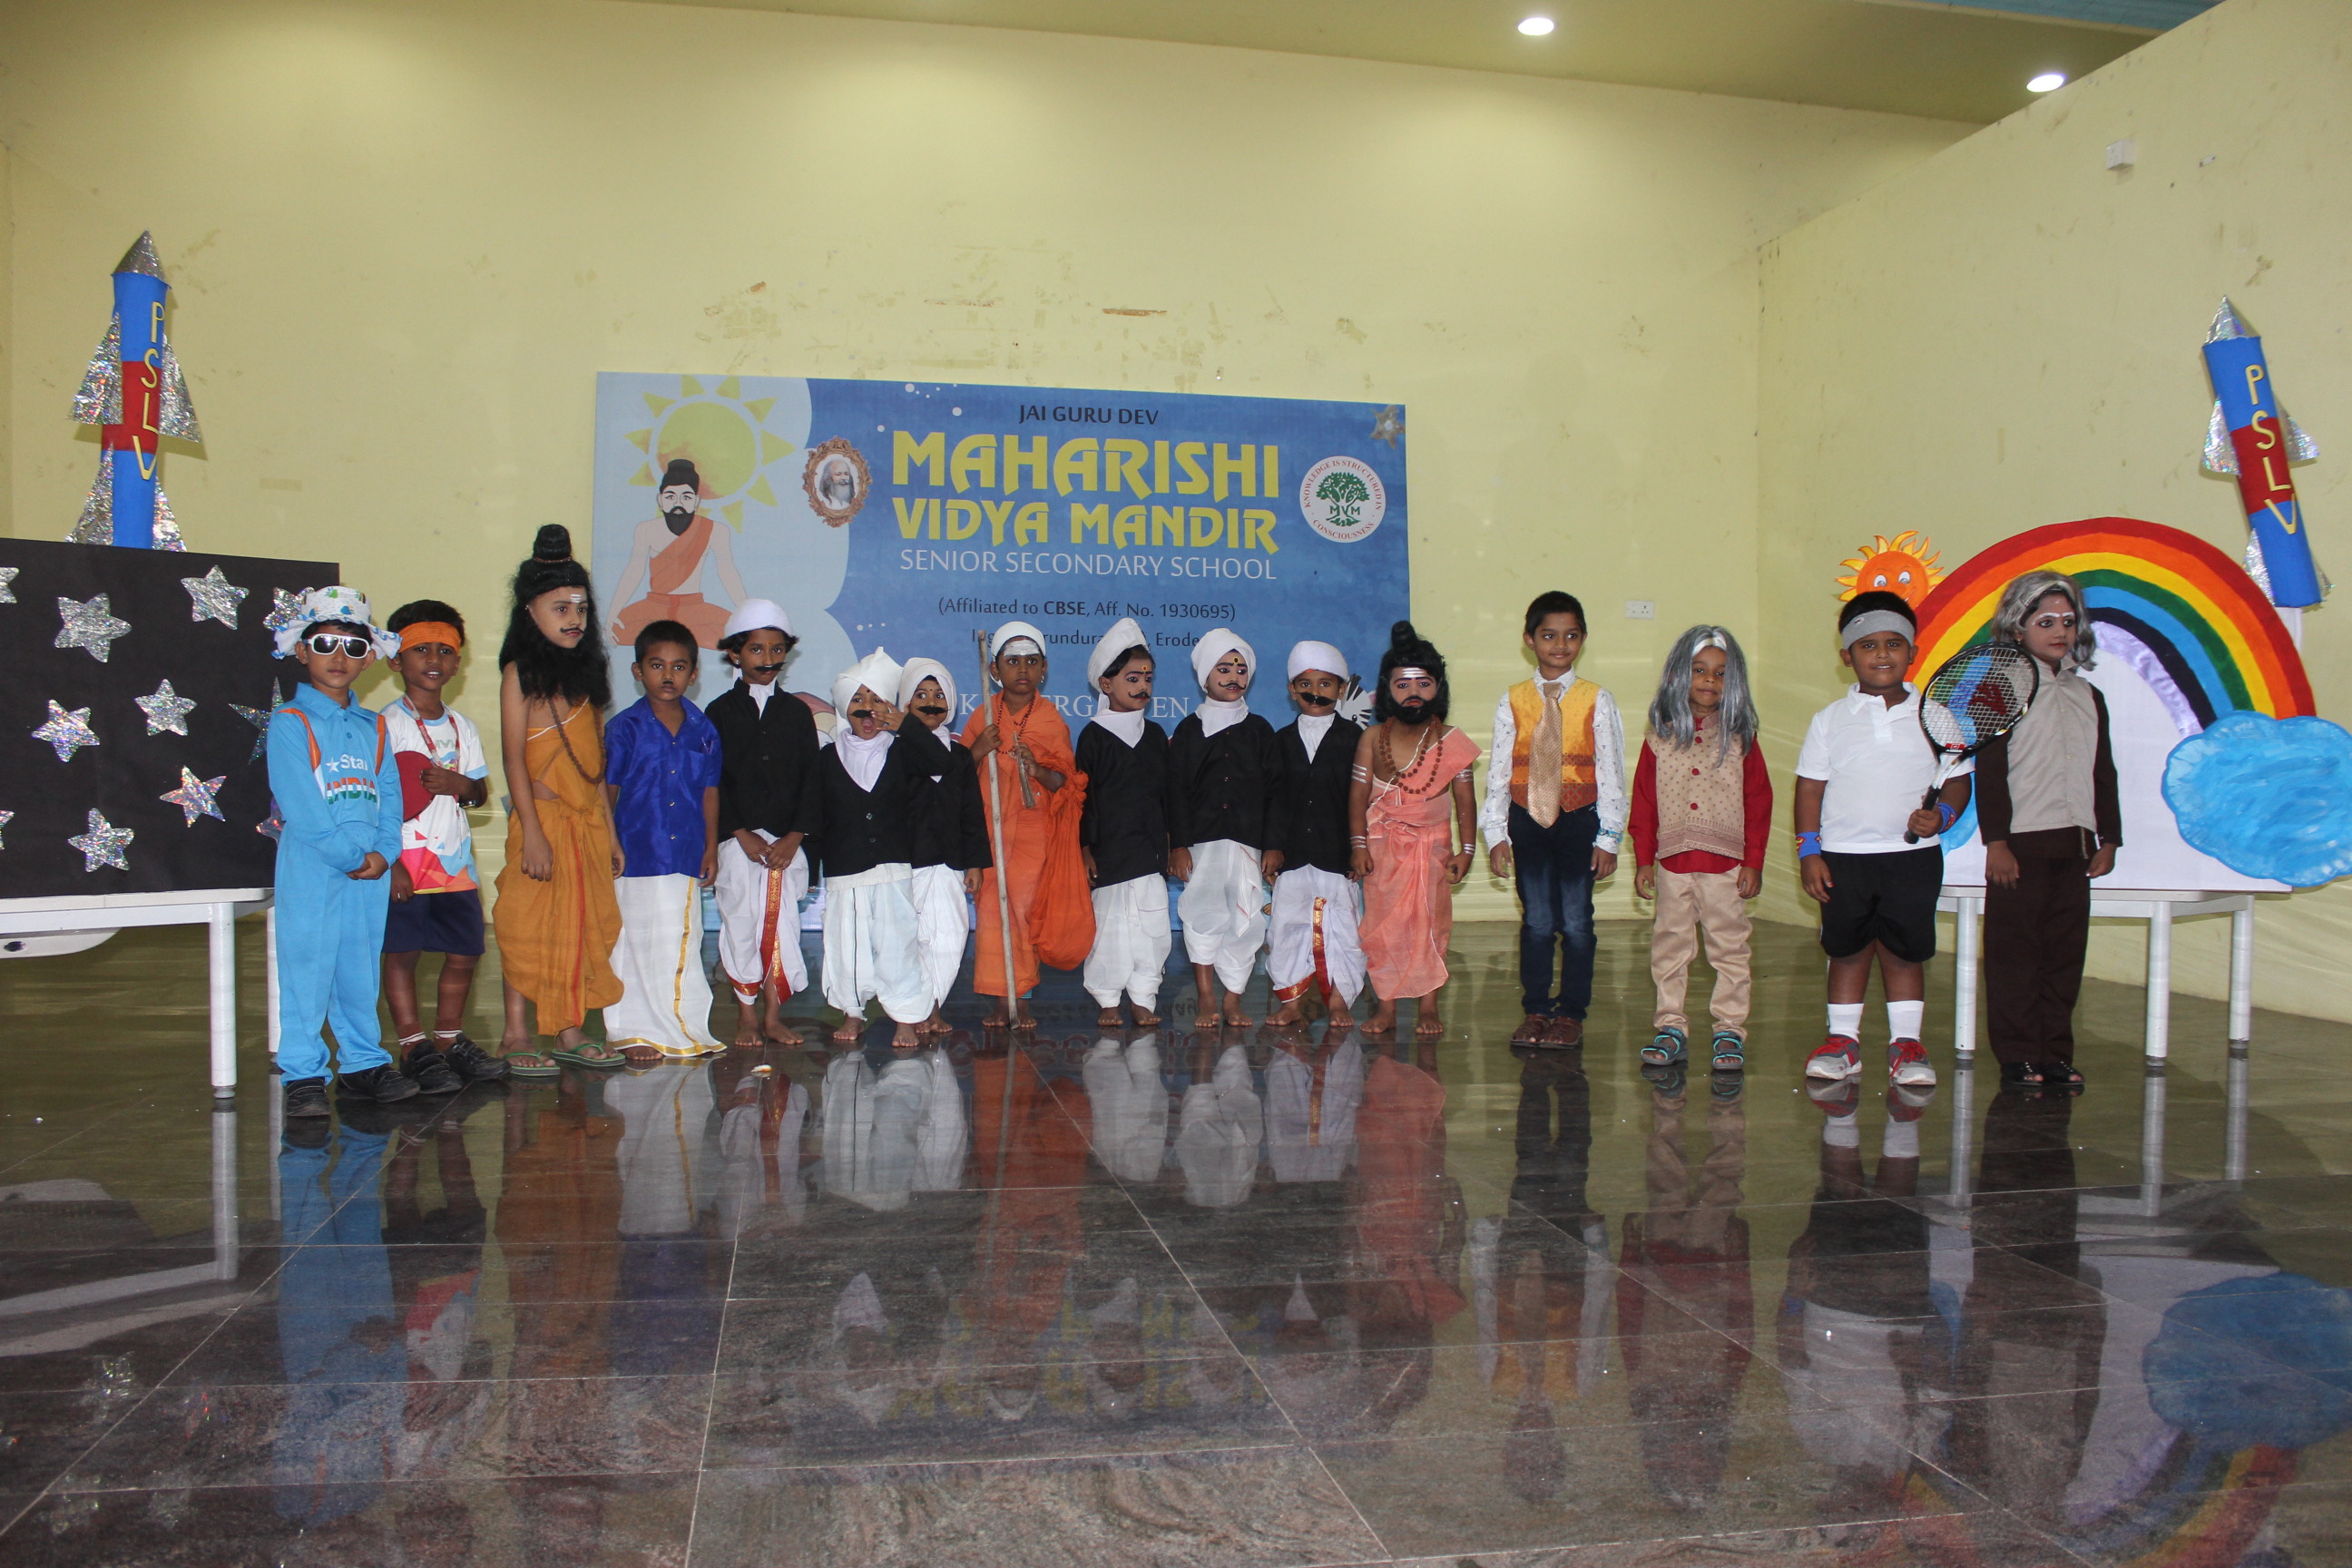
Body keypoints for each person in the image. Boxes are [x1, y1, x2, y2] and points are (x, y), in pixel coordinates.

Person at [1794, 590, 1971, 1088]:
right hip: (1843, 858)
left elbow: (1958, 781)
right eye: (1868, 645)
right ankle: (1843, 1043)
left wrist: (1943, 816)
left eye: (1894, 643)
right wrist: (1810, 851)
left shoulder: (1936, 716)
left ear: (1913, 651)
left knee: (1904, 952)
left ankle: (1906, 1045)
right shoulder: (1829, 720)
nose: (1882, 654)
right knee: (1847, 951)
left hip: (1912, 860)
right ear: (1846, 656)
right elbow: (1810, 788)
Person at [268, 586, 419, 1117]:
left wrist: (384, 852)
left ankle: (362, 1063)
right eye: (325, 644)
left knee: (358, 967)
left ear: (369, 658)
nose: (339, 657)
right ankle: (303, 1073)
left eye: (353, 647)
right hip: (314, 865)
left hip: (370, 868)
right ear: (302, 651)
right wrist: (349, 857)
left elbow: (390, 795)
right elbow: (302, 805)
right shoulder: (290, 722)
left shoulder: (374, 725)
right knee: (307, 967)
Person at [1975, 570, 2120, 1089]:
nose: (2060, 631)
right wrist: (1997, 842)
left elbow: (2103, 771)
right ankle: (2017, 1055)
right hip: (2021, 844)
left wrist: (2109, 838)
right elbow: (1990, 770)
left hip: (2075, 844)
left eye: (2068, 620)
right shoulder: (2003, 688)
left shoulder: (2088, 695)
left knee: (2063, 955)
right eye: (2045, 622)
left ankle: (2055, 1054)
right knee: (2015, 956)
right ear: (2018, 627)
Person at [493, 525, 626, 1069]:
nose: (574, 619)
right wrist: (532, 833)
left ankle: (570, 1031)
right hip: (540, 819)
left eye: (581, 608)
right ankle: (515, 1033)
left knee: (577, 928)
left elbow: (594, 767)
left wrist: (611, 834)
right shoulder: (518, 675)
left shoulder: (588, 674)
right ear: (530, 612)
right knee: (527, 925)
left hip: (587, 822)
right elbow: (513, 759)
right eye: (560, 608)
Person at [1480, 591, 1626, 1049]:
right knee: (1538, 922)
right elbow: (1499, 771)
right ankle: (1537, 1010)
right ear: (1529, 640)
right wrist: (1496, 833)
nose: (1560, 645)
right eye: (1548, 636)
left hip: (1580, 821)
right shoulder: (1512, 700)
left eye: (1571, 636)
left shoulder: (1597, 699)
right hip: (1528, 822)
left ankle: (1571, 1013)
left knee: (1577, 923)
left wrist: (1609, 837)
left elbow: (1612, 770)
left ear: (1583, 639)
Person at [378, 600, 514, 1084]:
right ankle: (413, 1046)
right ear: (395, 660)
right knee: (402, 953)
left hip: (454, 864)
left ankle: (448, 1039)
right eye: (420, 649)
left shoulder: (463, 728)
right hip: (405, 862)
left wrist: (461, 786)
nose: (433, 659)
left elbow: (478, 794)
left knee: (465, 951)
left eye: (445, 650)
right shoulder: (384, 725)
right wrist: (391, 863)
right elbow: (376, 802)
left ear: (458, 663)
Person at [1630, 627, 1772, 1072]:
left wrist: (1753, 862)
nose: (1710, 680)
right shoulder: (1659, 738)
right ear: (1678, 675)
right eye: (1699, 670)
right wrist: (1644, 860)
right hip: (1673, 865)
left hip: (1726, 868)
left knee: (1729, 947)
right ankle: (1671, 1025)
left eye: (1721, 673)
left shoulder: (1741, 740)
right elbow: (1644, 802)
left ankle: (1729, 1028)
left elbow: (1759, 801)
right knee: (1670, 946)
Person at [807, 647, 954, 1047]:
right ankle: (853, 1013)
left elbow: (942, 763)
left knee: (897, 944)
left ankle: (906, 1016)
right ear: (844, 707)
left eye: (876, 699)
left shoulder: (902, 749)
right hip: (845, 868)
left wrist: (906, 726)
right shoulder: (827, 757)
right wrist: (812, 868)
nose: (867, 708)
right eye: (858, 699)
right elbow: (814, 816)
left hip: (893, 866)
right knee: (847, 945)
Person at [601, 619, 725, 1065]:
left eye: (679, 666)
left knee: (680, 940)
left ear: (694, 674)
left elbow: (709, 791)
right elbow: (607, 791)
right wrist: (609, 843)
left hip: (685, 852)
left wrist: (711, 846)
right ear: (638, 671)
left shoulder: (704, 730)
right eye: (657, 665)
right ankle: (630, 1030)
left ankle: (683, 1026)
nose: (668, 675)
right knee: (632, 941)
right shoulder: (624, 728)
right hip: (634, 852)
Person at [1351, 622, 1481, 1038]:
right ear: (1387, 689)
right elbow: (1357, 797)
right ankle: (1386, 1007)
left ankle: (1428, 1005)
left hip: (1433, 847)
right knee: (1382, 928)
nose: (1413, 693)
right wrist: (1358, 845)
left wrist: (1467, 852)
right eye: (1402, 684)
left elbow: (1465, 802)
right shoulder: (1373, 738)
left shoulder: (1451, 740)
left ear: (1438, 688)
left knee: (1431, 926)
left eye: (1423, 684)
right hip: (1382, 847)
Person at [961, 621, 1093, 1028]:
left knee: (1020, 912)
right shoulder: (983, 715)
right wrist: (978, 750)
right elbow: (956, 775)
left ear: (1044, 669)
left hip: (1034, 835)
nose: (1022, 669)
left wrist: (1036, 769)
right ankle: (1002, 999)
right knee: (991, 913)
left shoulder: (1051, 721)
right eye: (1012, 662)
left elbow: (1064, 783)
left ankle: (1021, 997)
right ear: (994, 670)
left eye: (1032, 662)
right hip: (989, 832)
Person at [707, 598, 824, 1047]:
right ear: (734, 654)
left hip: (786, 845)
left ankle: (774, 1017)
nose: (768, 659)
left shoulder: (796, 713)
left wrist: (794, 837)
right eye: (756, 650)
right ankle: (746, 1018)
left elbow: (812, 780)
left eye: (777, 650)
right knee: (741, 922)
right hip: (738, 842)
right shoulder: (718, 713)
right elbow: (713, 781)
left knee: (781, 928)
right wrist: (741, 833)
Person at [1167, 630, 1283, 1028]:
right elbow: (1176, 792)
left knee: (1247, 920)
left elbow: (1275, 792)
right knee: (1202, 914)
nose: (1234, 677)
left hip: (1248, 843)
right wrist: (1178, 845)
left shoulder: (1261, 731)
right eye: (1223, 669)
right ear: (1205, 677)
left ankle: (1233, 998)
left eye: (1241, 669)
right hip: (1202, 844)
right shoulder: (1188, 731)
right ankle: (1205, 996)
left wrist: (1273, 845)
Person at [1076, 619, 1171, 1029]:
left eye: (1148, 678)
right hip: (1109, 853)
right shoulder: (1094, 736)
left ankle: (1143, 998)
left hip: (1148, 853)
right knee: (1110, 929)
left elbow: (1167, 796)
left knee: (1152, 929)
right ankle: (1107, 999)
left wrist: (1172, 845)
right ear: (1106, 683)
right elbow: (1083, 799)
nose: (1142, 686)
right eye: (1132, 678)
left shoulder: (1156, 735)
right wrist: (1084, 849)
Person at [1268, 641, 1367, 1029]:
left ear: (1341, 689)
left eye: (1325, 684)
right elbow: (1273, 798)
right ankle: (1291, 1003)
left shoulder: (1357, 739)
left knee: (1343, 928)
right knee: (1287, 926)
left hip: (1337, 852)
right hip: (1293, 853)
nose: (1315, 692)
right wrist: (1272, 847)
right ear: (1291, 690)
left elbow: (1364, 801)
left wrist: (1358, 848)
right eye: (1305, 684)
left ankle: (1340, 1001)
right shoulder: (1280, 740)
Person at [897, 655, 989, 1034]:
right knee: (910, 940)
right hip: (907, 862)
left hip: (949, 862)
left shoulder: (960, 755)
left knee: (949, 939)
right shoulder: (893, 751)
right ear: (905, 703)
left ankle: (933, 1004)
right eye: (921, 695)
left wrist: (975, 863)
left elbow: (972, 811)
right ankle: (914, 1010)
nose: (931, 702)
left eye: (939, 695)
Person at [607, 456, 749, 651]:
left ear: (697, 501)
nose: (678, 503)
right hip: (654, 606)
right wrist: (613, 612)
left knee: (731, 635)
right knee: (618, 629)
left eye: (686, 497)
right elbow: (634, 571)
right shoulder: (646, 530)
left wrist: (747, 614)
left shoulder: (715, 530)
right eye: (670, 497)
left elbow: (727, 572)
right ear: (660, 500)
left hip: (694, 609)